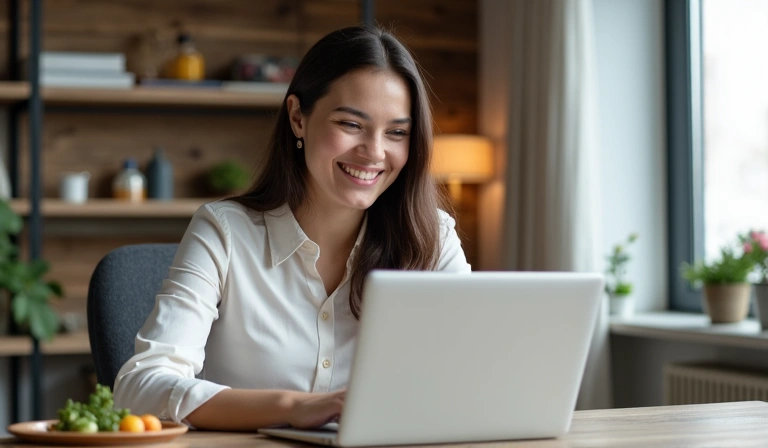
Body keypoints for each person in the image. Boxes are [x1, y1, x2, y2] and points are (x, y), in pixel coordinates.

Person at [113, 26, 471, 431]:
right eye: (351, 124)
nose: (374, 152)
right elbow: (138, 387)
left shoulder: (432, 238)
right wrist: (294, 407)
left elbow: (476, 375)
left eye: (396, 133)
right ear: (298, 118)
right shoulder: (224, 232)